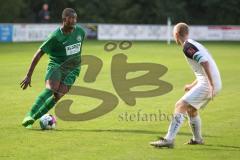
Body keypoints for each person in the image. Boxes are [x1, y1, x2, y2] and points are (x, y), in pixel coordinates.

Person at [150, 22, 222, 148]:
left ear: (176, 34)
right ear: (187, 33)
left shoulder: (187, 47)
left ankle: (168, 140)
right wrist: (193, 84)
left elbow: (205, 63)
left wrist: (210, 85)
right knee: (191, 109)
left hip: (209, 83)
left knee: (180, 105)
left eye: (173, 34)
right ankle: (197, 139)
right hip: (211, 82)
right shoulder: (193, 43)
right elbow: (202, 67)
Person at [20, 8, 85, 128]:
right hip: (57, 66)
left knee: (57, 96)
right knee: (51, 88)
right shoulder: (55, 37)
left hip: (73, 69)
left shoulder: (80, 32)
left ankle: (33, 119)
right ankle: (29, 114)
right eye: (71, 18)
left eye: (75, 18)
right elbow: (38, 54)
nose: (74, 21)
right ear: (64, 19)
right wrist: (29, 75)